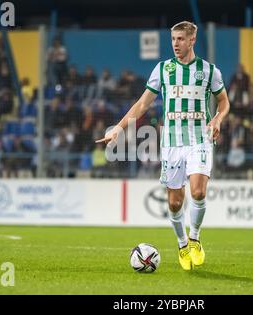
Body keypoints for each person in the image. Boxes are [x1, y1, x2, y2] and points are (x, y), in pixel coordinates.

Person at [96, 21, 230, 270]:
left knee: (199, 192)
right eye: (173, 40)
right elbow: (142, 104)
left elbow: (224, 102)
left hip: (200, 139)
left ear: (192, 40)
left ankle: (195, 240)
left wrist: (218, 118)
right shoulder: (163, 70)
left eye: (180, 39)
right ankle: (182, 245)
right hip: (172, 144)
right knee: (174, 203)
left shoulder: (210, 71)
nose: (176, 44)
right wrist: (119, 127)